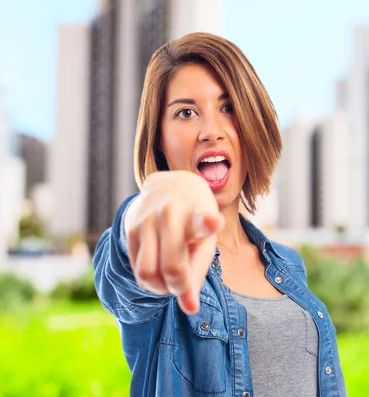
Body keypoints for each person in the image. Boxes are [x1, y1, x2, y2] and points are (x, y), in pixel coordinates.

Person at [92, 32, 347, 397]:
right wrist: (143, 213)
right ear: (159, 139)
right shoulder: (165, 257)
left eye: (228, 108)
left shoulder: (287, 264)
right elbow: (125, 261)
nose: (210, 132)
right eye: (186, 113)